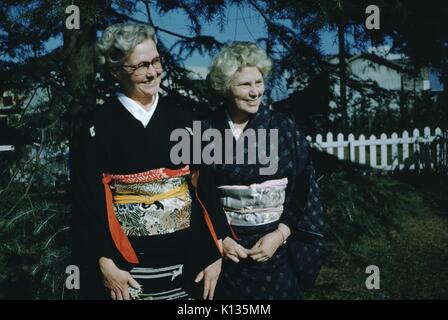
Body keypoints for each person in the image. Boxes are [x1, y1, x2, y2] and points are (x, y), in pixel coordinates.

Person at [71, 22, 229, 300]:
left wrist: (213, 250)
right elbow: (86, 199)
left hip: (187, 263)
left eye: (156, 61)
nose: (153, 71)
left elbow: (205, 188)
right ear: (115, 70)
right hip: (126, 266)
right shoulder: (96, 126)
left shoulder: (184, 120)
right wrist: (103, 260)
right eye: (141, 65)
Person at [204, 42, 326, 299]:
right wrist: (221, 239)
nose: (254, 92)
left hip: (276, 254)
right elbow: (198, 194)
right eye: (245, 85)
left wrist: (280, 234)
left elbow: (304, 189)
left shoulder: (285, 129)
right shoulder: (206, 131)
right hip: (227, 254)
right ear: (226, 87)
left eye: (258, 83)